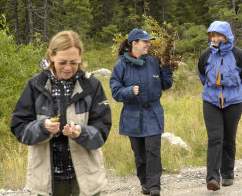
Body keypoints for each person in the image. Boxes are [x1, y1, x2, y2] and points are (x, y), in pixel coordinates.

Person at [11, 30, 112, 196]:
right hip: (49, 181)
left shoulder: (92, 85)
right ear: (51, 56)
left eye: (73, 62)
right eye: (62, 61)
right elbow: (19, 128)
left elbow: (102, 131)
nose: (68, 68)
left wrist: (81, 132)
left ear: (80, 58)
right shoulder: (35, 85)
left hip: (86, 178)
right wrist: (42, 128)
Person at [110, 29, 173, 196]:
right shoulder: (121, 65)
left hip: (153, 113)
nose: (148, 44)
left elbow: (165, 84)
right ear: (134, 43)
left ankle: (154, 187)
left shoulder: (152, 62)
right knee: (139, 154)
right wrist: (129, 91)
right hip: (132, 115)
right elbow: (115, 92)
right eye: (145, 41)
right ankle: (144, 182)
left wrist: (167, 67)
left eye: (149, 41)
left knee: (153, 150)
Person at [198, 21, 242, 191]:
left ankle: (228, 173)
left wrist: (233, 92)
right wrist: (215, 91)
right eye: (212, 36)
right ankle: (213, 178)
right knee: (215, 138)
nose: (214, 39)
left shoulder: (239, 55)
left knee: (229, 138)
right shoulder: (205, 55)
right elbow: (202, 75)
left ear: (226, 36)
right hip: (211, 101)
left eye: (217, 35)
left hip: (233, 101)